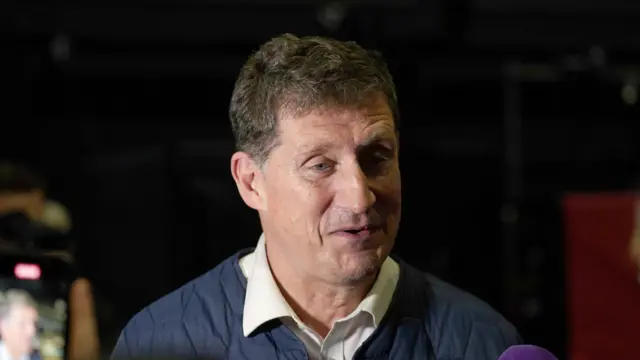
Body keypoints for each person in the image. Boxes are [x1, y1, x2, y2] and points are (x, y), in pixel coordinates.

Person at [111, 34, 522, 360]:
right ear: (251, 182)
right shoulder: (159, 342)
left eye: (377, 158)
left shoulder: (485, 344)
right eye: (321, 166)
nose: (360, 198)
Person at [0, 290, 39, 360]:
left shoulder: (36, 357)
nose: (31, 331)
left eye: (34, 323)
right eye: (22, 324)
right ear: (2, 326)